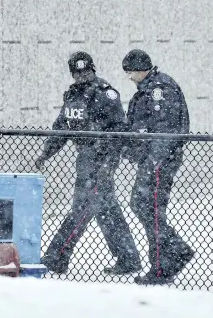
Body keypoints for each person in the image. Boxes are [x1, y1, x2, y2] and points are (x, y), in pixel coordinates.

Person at [35, 51, 141, 275]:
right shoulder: (73, 95)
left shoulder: (106, 94)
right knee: (107, 210)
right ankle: (128, 257)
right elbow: (62, 128)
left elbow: (119, 131)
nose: (82, 76)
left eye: (86, 71)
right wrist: (46, 153)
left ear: (93, 70)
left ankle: (57, 256)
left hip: (100, 158)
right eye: (78, 72)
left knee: (82, 209)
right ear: (73, 74)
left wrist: (107, 163)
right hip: (85, 156)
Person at [121, 49, 195, 285]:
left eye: (131, 72)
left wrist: (155, 160)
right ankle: (175, 250)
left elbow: (166, 129)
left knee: (150, 208)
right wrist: (131, 150)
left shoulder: (160, 90)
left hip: (160, 162)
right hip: (152, 160)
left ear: (141, 69)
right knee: (143, 205)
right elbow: (140, 127)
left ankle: (162, 267)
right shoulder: (147, 90)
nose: (130, 77)